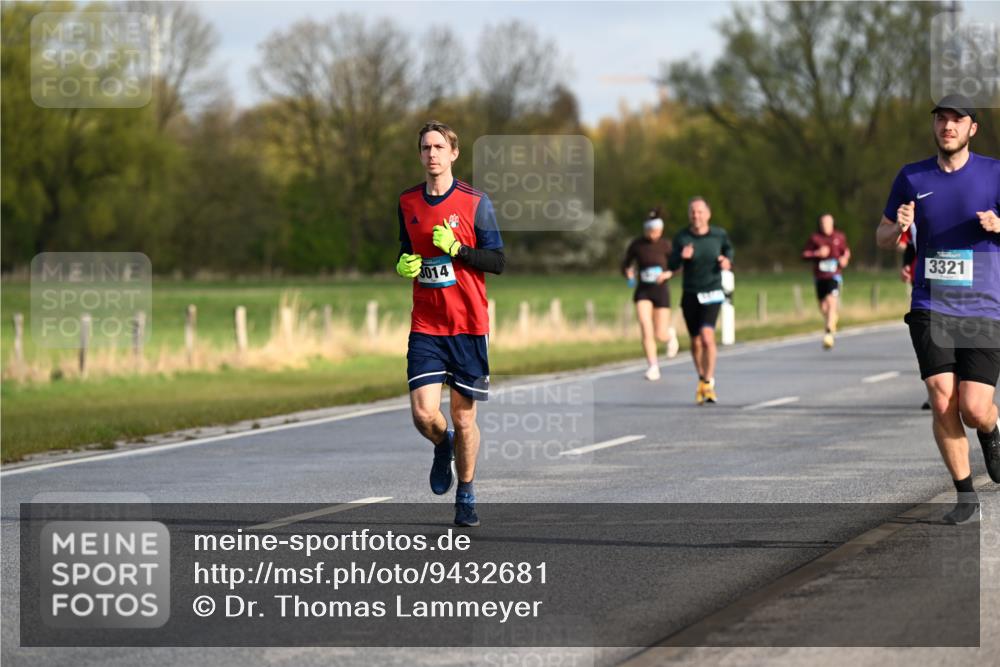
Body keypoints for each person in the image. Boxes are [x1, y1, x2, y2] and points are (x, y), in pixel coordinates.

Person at [876, 94, 1000, 525]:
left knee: (974, 407)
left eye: (956, 120)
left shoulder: (994, 173)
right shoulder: (912, 177)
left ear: (972, 129)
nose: (947, 126)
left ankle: (991, 429)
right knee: (942, 395)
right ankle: (965, 495)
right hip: (931, 303)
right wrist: (898, 227)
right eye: (941, 119)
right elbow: (882, 237)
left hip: (983, 307)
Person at [396, 121, 505, 527]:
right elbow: (406, 248)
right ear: (420, 154)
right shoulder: (408, 202)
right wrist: (403, 264)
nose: (432, 154)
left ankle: (467, 492)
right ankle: (444, 445)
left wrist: (458, 249)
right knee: (424, 414)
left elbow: (497, 261)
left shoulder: (476, 202)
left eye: (439, 147)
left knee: (463, 417)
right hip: (426, 324)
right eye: (426, 148)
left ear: (454, 153)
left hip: (468, 325)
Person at [668, 196, 734, 404]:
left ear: (708, 214)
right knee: (696, 341)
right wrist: (682, 257)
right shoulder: (682, 237)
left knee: (707, 337)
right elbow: (671, 264)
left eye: (700, 212)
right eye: (692, 212)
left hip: (712, 292)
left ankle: (708, 381)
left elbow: (729, 250)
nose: (696, 216)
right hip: (690, 293)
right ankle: (702, 378)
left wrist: (727, 261)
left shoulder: (718, 234)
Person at [622, 209, 680, 381]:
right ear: (646, 229)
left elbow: (678, 265)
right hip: (643, 290)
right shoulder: (637, 245)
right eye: (651, 230)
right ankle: (653, 366)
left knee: (659, 334)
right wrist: (628, 272)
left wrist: (668, 274)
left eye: (657, 230)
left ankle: (670, 335)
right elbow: (626, 263)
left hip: (660, 291)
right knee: (645, 325)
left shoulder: (666, 245)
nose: (654, 234)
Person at [801, 213, 851, 349]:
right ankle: (832, 319)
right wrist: (817, 253)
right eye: (823, 223)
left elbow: (846, 252)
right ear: (820, 224)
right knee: (823, 307)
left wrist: (844, 260)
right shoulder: (815, 238)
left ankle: (828, 333)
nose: (825, 226)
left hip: (834, 275)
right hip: (819, 276)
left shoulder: (839, 237)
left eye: (828, 223)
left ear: (832, 223)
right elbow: (804, 254)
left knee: (831, 301)